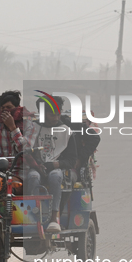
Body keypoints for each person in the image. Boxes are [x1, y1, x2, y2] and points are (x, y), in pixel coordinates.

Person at [25, 96, 77, 233]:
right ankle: (34, 217)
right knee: (32, 177)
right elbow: (26, 150)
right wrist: (37, 165)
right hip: (36, 167)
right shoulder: (33, 128)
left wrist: (54, 165)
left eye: (58, 114)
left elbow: (71, 160)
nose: (56, 117)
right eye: (52, 114)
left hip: (57, 168)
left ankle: (54, 219)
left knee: (55, 176)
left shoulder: (66, 131)